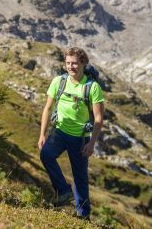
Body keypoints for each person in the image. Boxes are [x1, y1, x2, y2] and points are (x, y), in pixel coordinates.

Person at [38, 47, 104, 219]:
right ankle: (64, 190)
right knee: (46, 155)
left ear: (83, 63)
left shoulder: (93, 87)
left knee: (80, 177)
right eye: (68, 63)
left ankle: (83, 215)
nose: (70, 66)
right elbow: (47, 108)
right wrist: (42, 134)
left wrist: (92, 144)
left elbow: (98, 119)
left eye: (74, 63)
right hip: (59, 131)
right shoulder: (58, 81)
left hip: (80, 138)